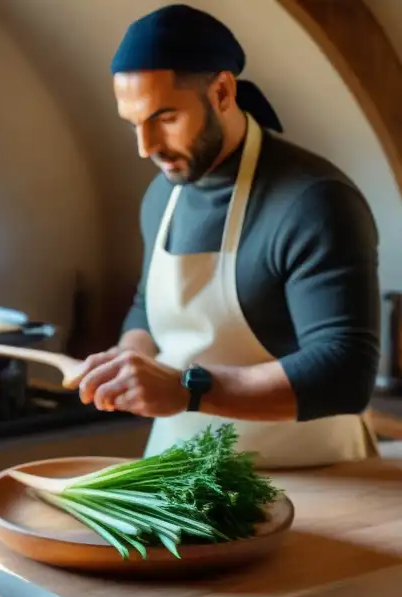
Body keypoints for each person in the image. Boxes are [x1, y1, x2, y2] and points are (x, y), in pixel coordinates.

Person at [70, 3, 381, 468]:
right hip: (179, 475)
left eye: (165, 118)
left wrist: (184, 389)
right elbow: (147, 305)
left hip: (310, 475)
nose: (146, 147)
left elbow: (345, 372)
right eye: (134, 124)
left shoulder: (314, 201)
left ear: (221, 92)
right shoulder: (161, 196)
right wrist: (129, 357)